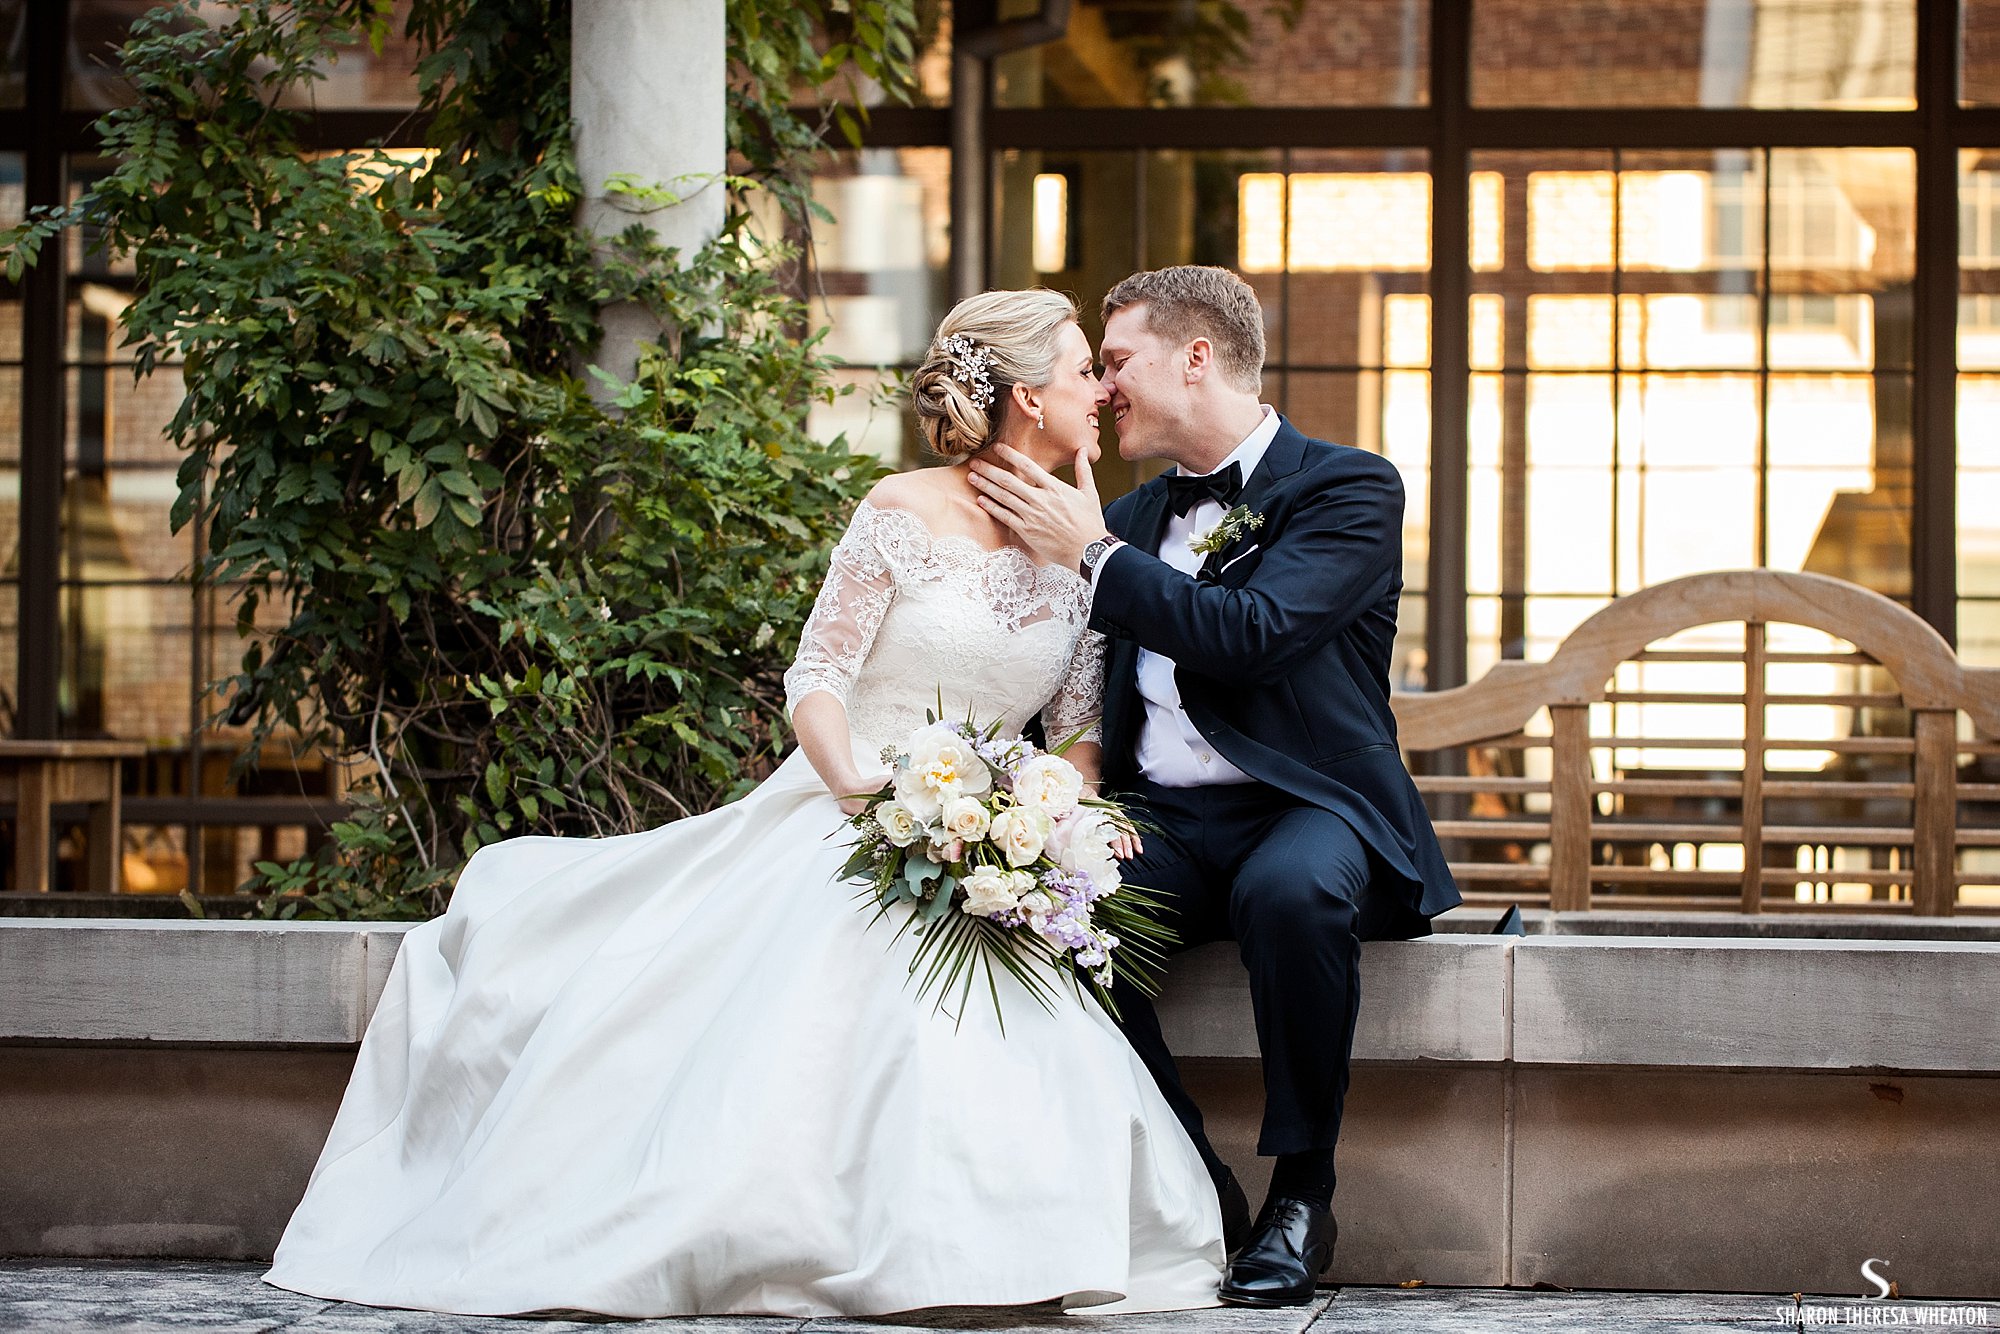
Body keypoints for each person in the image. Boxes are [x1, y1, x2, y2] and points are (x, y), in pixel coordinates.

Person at [261, 289, 1225, 1319]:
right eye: (1084, 368)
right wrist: (862, 787)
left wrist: (1047, 812)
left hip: (994, 845)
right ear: (1028, 395)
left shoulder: (1085, 548)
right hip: (857, 809)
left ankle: (999, 1246)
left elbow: (1075, 730)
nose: (1099, 388)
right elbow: (817, 674)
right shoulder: (900, 510)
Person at [969, 265, 1462, 1308]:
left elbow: (1255, 636)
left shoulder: (1348, 487)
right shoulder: (1131, 510)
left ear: (1197, 357)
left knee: (1290, 892)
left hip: (1306, 803)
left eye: (1115, 363)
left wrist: (1091, 551)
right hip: (1161, 817)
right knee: (1049, 910)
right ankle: (1195, 1183)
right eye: (1092, 370)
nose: (1100, 390)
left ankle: (1300, 1191)